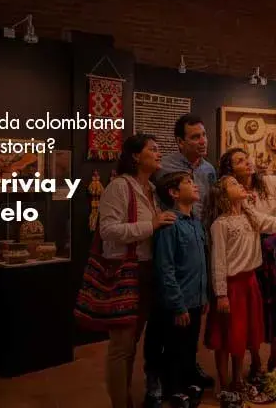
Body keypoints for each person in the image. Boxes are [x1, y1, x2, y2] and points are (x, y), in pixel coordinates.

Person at [98, 133, 178, 408]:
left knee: (132, 344)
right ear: (135, 156)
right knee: (121, 348)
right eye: (153, 150)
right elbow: (107, 230)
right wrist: (151, 226)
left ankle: (127, 398)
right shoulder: (120, 187)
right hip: (124, 271)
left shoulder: (152, 190)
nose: (159, 154)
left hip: (146, 272)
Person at [204, 175, 276, 402]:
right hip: (231, 288)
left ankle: (238, 380)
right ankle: (224, 384)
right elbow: (218, 262)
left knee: (242, 335)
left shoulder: (250, 217)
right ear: (223, 196)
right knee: (225, 337)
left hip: (250, 283)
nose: (240, 185)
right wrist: (221, 294)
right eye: (233, 184)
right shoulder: (220, 224)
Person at [218, 148, 276, 379]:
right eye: (240, 161)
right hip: (251, 252)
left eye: (247, 158)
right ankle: (255, 362)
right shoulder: (232, 194)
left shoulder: (268, 181)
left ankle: (275, 358)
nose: (248, 163)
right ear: (230, 170)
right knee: (254, 308)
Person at [154, 113, 217, 390]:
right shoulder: (163, 167)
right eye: (195, 137)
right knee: (169, 324)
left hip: (198, 239)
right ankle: (163, 381)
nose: (202, 141)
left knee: (193, 319)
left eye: (203, 135)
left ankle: (189, 368)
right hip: (171, 237)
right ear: (180, 142)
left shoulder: (209, 170)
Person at [153, 172, 208, 408]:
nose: (194, 186)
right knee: (174, 347)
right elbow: (165, 268)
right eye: (188, 183)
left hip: (196, 298)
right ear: (174, 193)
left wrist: (203, 295)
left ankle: (187, 382)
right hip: (179, 301)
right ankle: (174, 389)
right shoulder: (169, 225)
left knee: (189, 345)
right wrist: (177, 304)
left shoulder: (196, 222)